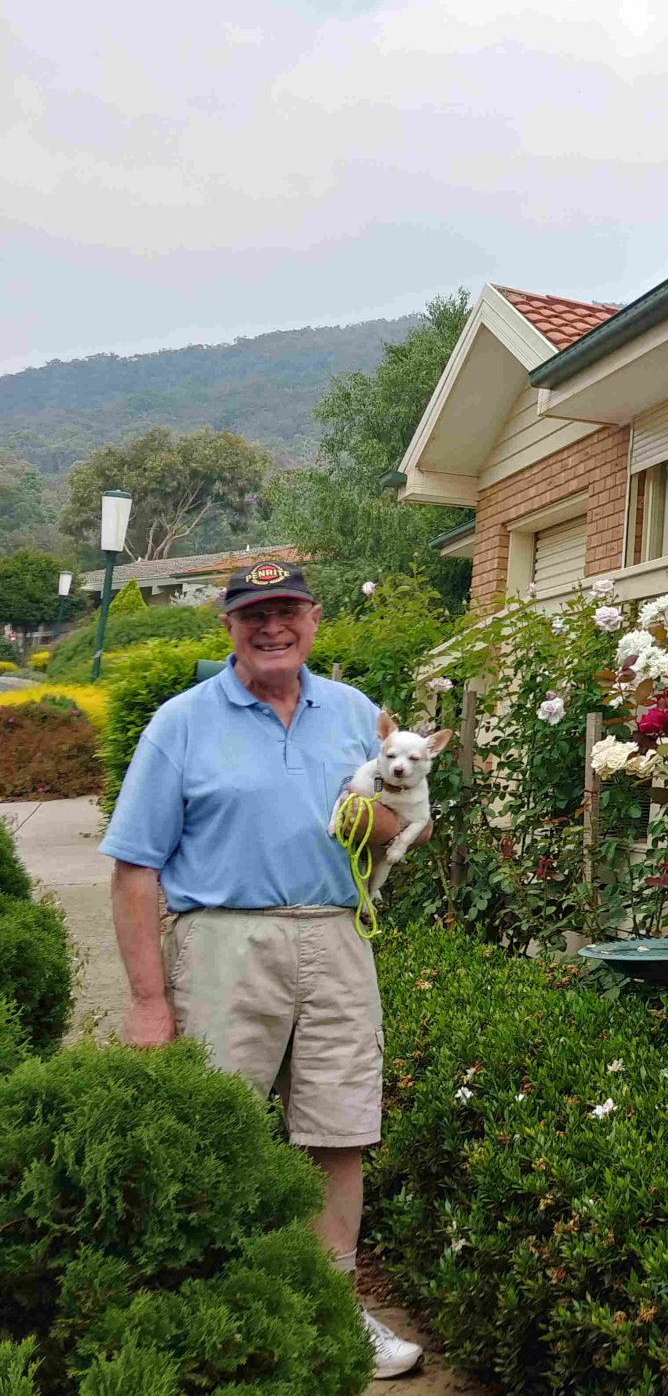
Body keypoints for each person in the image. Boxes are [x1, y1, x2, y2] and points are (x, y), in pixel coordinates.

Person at [102, 560, 427, 1380]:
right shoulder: (180, 723)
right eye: (253, 614)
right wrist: (148, 1002)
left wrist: (382, 819)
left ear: (315, 620)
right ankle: (212, 1301)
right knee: (218, 1128)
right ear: (228, 627)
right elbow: (135, 868)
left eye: (287, 611)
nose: (271, 626)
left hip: (336, 937)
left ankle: (333, 1305)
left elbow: (396, 823)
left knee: (340, 1126)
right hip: (222, 941)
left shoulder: (355, 713)